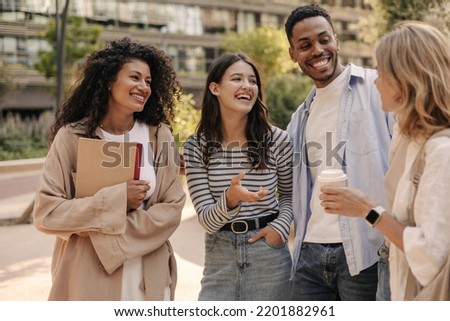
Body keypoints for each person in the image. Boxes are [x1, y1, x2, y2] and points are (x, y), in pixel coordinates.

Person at [32, 37, 186, 300]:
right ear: (108, 80)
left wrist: (93, 228)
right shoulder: (72, 137)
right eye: (135, 77)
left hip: (148, 276)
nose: (143, 87)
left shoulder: (160, 136)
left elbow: (171, 209)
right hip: (87, 274)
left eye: (148, 81)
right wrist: (118, 199)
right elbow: (47, 213)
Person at [320, 21, 450, 300]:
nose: (375, 82)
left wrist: (367, 209)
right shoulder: (408, 135)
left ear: (405, 80)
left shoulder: (442, 152)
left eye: (381, 73)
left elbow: (430, 256)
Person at [284, 4, 395, 300]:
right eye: (305, 45)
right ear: (293, 54)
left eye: (324, 39)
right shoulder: (299, 117)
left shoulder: (378, 88)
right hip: (309, 253)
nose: (317, 50)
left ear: (337, 40)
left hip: (367, 251)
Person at [183, 53, 293, 300]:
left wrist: (279, 228)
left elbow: (290, 196)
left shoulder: (278, 140)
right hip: (219, 256)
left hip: (269, 255)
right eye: (237, 78)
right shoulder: (195, 147)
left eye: (252, 81)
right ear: (215, 88)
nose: (247, 86)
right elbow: (207, 221)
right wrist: (231, 199)